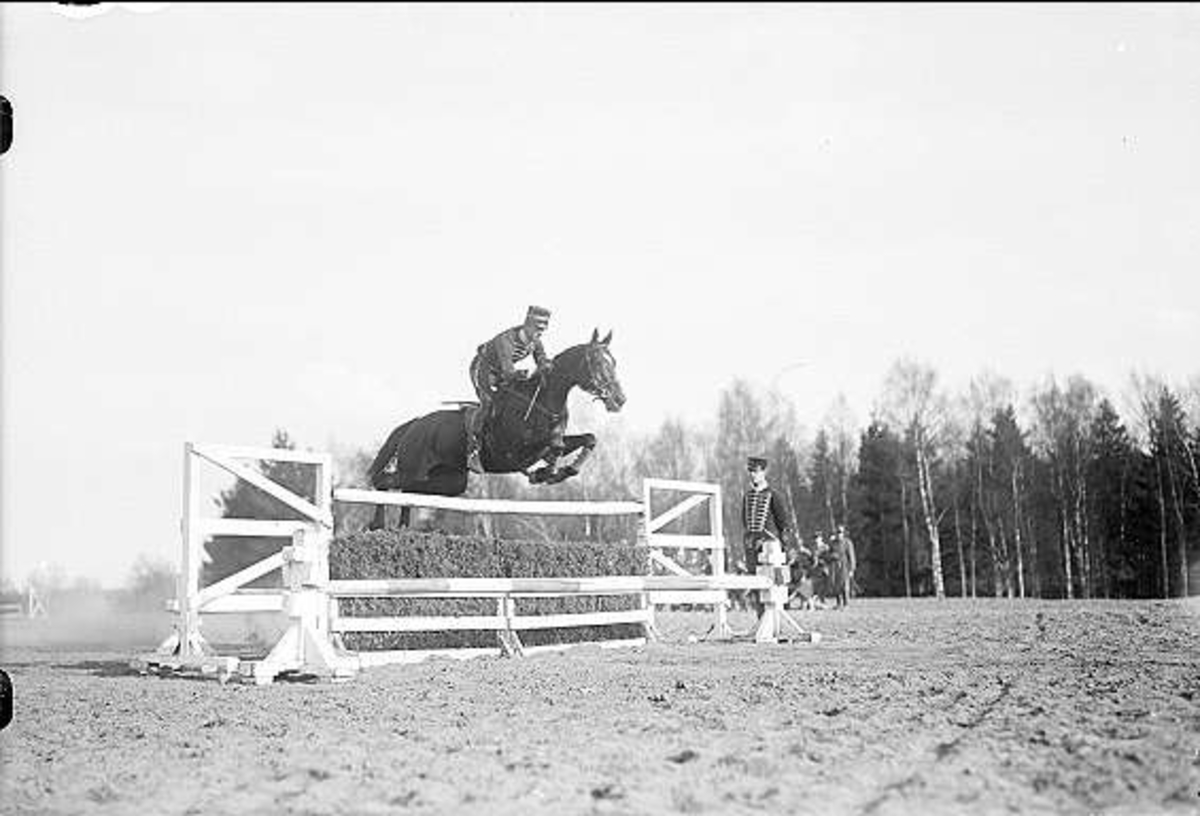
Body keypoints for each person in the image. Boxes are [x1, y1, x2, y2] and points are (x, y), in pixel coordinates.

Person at [466, 306, 554, 474]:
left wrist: (546, 366)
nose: (539, 334)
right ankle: (473, 451)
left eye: (542, 331)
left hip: (502, 372)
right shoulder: (505, 340)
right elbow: (508, 370)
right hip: (483, 370)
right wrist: (522, 375)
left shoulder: (535, 341)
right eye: (536, 329)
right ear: (527, 325)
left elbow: (542, 359)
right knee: (489, 403)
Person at [741, 455, 795, 616]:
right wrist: (750, 541)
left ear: (764, 472)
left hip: (771, 546)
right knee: (756, 584)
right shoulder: (747, 496)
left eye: (756, 471)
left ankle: (775, 621)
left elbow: (783, 524)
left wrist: (786, 547)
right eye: (750, 471)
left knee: (774, 584)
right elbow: (745, 521)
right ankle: (761, 620)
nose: (752, 474)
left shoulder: (774, 495)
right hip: (753, 546)